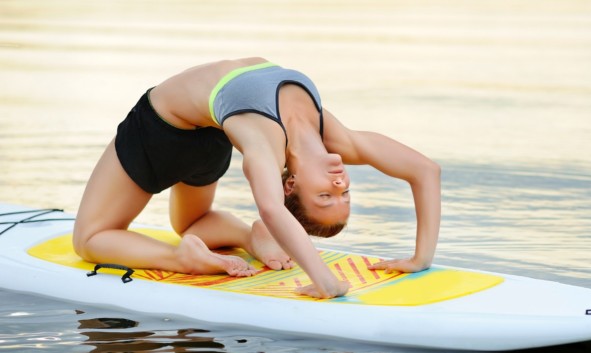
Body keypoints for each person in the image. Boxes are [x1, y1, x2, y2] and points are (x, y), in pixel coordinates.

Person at [72, 57, 441, 299]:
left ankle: (181, 259)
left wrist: (326, 281)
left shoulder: (265, 147)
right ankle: (252, 237)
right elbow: (425, 170)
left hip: (165, 127)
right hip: (211, 132)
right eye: (342, 197)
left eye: (326, 197)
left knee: (90, 239)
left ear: (291, 185)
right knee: (192, 223)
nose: (340, 186)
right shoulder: (338, 138)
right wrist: (420, 257)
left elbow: (271, 206)